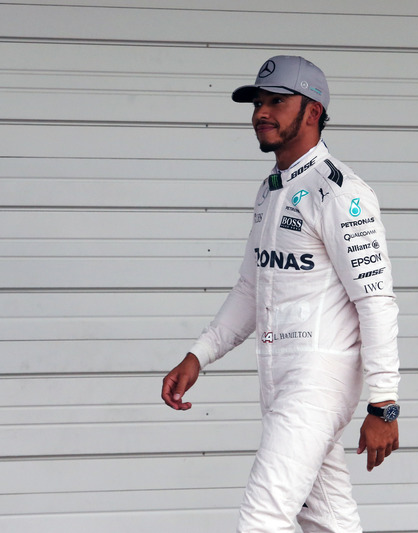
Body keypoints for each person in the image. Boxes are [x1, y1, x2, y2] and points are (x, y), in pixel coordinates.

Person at [161, 55, 400, 533]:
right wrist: (198, 355)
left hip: (317, 380)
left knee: (262, 518)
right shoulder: (272, 190)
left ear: (312, 112)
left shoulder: (341, 194)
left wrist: (384, 404)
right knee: (329, 518)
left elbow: (376, 301)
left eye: (276, 101)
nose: (261, 112)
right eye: (257, 102)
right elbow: (252, 287)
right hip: (279, 378)